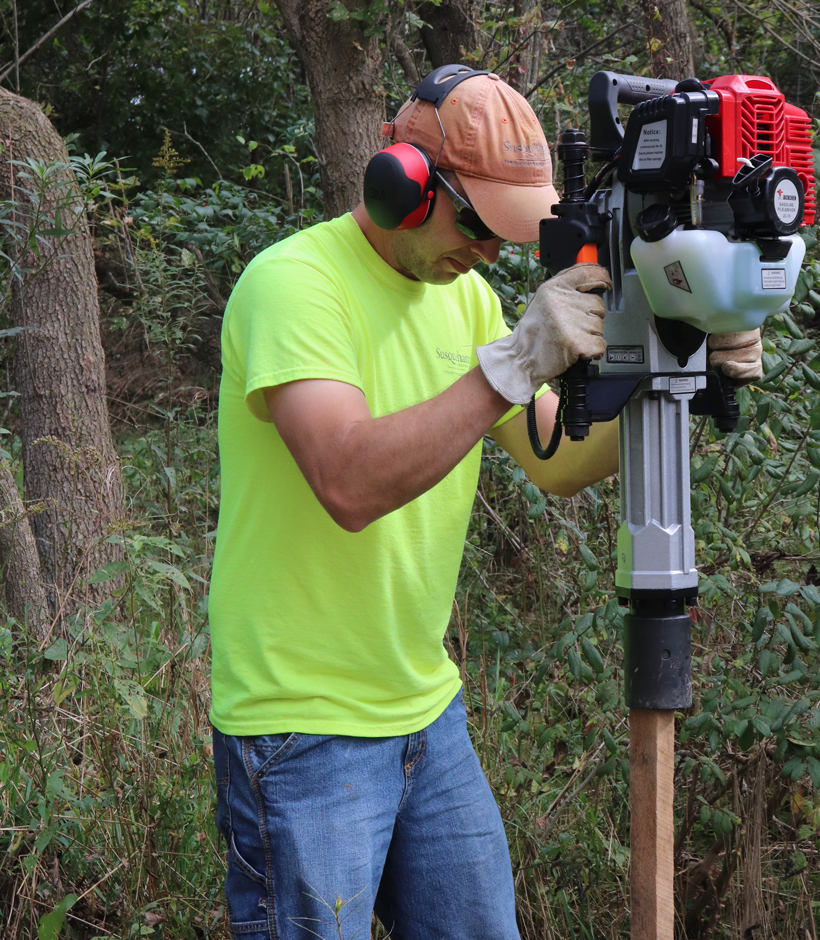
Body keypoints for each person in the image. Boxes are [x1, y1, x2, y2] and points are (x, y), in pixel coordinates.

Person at [207, 65, 762, 940]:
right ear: (403, 185)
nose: (493, 255)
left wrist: (679, 375)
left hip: (426, 714)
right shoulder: (293, 286)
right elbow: (348, 482)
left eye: (509, 238)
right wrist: (508, 367)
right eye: (478, 227)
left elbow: (559, 461)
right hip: (300, 729)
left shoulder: (462, 294)